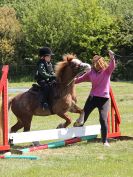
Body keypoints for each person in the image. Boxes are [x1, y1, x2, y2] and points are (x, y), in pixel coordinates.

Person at [74, 50, 116, 147]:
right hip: (92, 98)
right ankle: (75, 137)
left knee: (103, 119)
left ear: (101, 63)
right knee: (83, 117)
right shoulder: (91, 72)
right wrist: (69, 81)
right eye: (94, 63)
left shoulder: (107, 71)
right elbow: (79, 80)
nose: (95, 65)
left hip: (104, 99)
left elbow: (112, 65)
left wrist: (112, 57)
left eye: (97, 63)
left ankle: (105, 141)